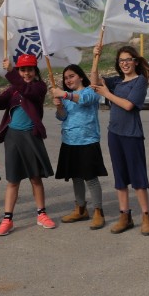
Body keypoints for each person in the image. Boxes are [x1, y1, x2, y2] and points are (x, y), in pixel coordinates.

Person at [0, 55, 55, 236]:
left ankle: (42, 214)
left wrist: (10, 72)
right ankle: (8, 219)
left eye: (30, 70)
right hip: (13, 137)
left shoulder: (39, 87)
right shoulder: (13, 90)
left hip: (31, 136)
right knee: (13, 180)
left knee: (35, 178)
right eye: (22, 70)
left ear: (35, 71)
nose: (26, 73)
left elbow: (28, 91)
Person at [91, 44, 149, 236]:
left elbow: (128, 105)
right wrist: (96, 58)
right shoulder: (116, 81)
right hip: (115, 134)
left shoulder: (139, 81)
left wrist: (108, 95)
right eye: (121, 61)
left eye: (128, 60)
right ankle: (124, 216)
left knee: (138, 178)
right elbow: (94, 83)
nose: (125, 63)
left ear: (135, 62)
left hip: (132, 135)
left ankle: (146, 216)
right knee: (120, 177)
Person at [52, 64, 108, 230]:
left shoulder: (90, 91)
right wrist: (59, 105)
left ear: (81, 77)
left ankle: (98, 211)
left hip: (88, 141)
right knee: (76, 176)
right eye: (66, 78)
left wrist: (64, 95)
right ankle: (81, 209)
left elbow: (83, 100)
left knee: (90, 178)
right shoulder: (65, 97)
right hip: (69, 141)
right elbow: (62, 117)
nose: (68, 80)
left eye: (72, 76)